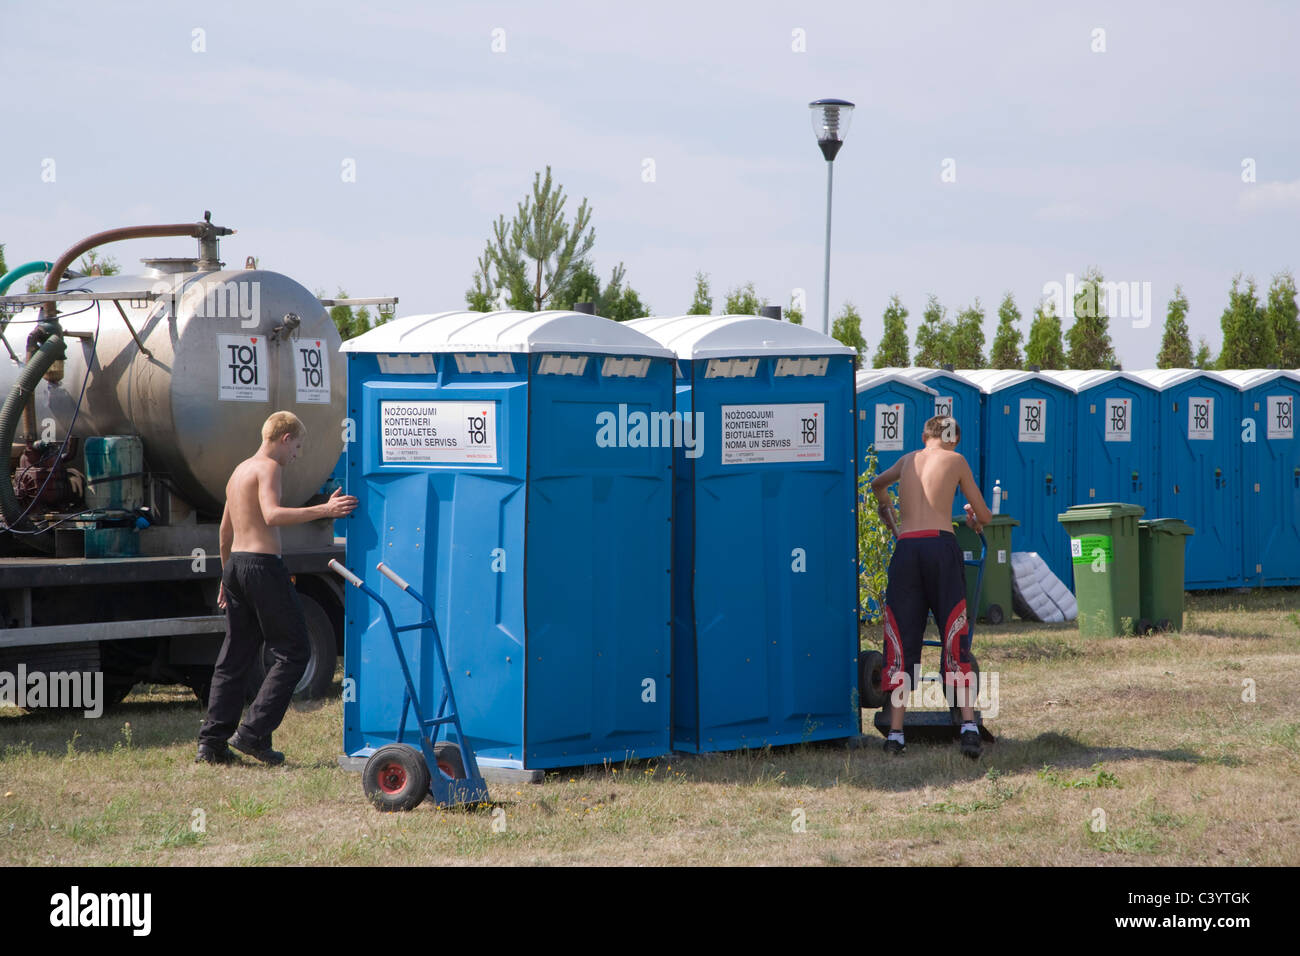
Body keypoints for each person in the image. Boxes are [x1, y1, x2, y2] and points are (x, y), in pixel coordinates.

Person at [197, 411, 357, 765]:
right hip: (262, 567)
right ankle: (252, 733)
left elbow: (225, 530)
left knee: (234, 656)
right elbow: (271, 515)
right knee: (295, 650)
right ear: (285, 439)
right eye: (297, 447)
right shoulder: (269, 468)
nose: (296, 455)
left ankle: (211, 743)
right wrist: (325, 509)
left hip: (237, 564)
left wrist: (226, 575)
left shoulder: (239, 471)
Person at [869, 415, 993, 759]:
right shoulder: (956, 460)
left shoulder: (907, 460)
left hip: (907, 549)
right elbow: (984, 515)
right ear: (953, 439)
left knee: (899, 638)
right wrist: (971, 515)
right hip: (941, 547)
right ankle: (968, 726)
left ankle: (895, 733)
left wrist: (889, 513)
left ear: (926, 435)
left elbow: (878, 484)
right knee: (954, 632)